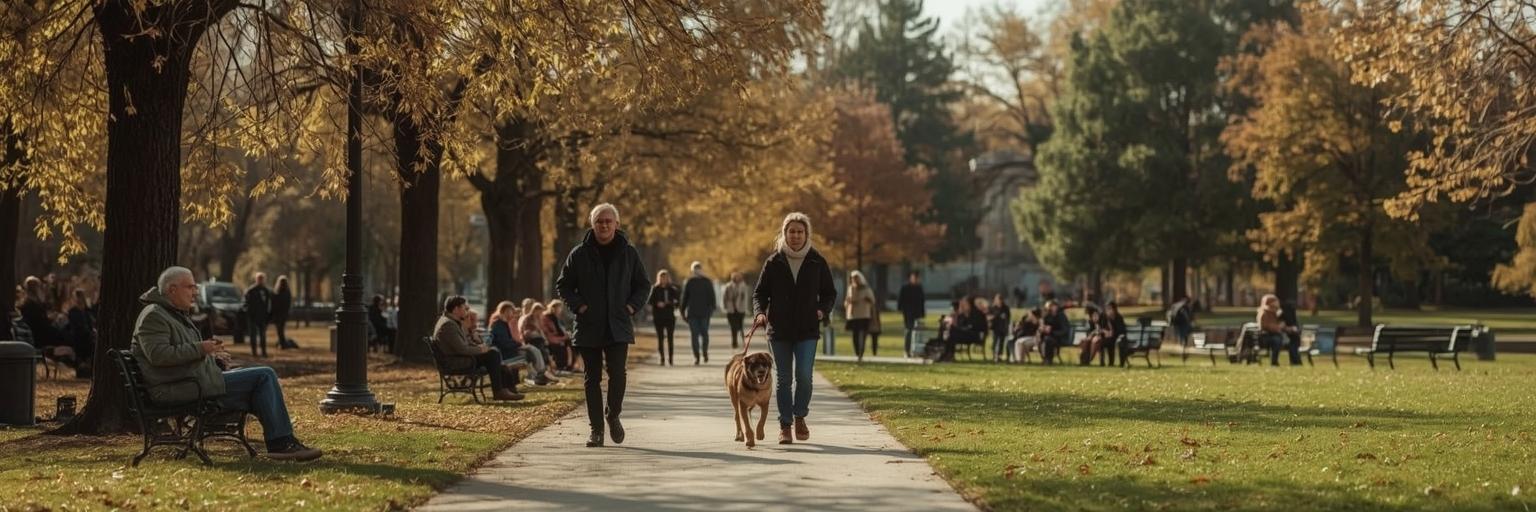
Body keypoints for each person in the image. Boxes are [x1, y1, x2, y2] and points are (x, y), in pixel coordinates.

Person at [133, 266, 323, 461]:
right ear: (172, 290)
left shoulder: (172, 314)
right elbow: (158, 355)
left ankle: (282, 444)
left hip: (190, 382)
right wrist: (202, 349)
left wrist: (212, 359)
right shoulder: (154, 315)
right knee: (264, 376)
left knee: (259, 380)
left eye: (195, 287)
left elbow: (179, 353)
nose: (195, 292)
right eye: (190, 287)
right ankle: (282, 444)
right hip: (176, 388)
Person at [555, 203, 651, 448]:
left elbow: (643, 285)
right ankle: (596, 430)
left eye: (608, 221)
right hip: (589, 324)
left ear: (617, 225)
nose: (604, 225)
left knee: (618, 374)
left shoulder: (629, 253)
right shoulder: (579, 254)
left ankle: (613, 414)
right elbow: (564, 285)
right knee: (591, 378)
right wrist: (580, 306)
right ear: (592, 224)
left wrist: (631, 307)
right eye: (599, 221)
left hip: (618, 325)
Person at [752, 212, 836, 445]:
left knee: (804, 377)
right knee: (784, 379)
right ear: (784, 234)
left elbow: (829, 292)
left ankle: (800, 416)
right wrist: (760, 313)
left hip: (808, 328)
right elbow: (760, 293)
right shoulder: (774, 262)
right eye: (792, 232)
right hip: (779, 330)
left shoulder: (816, 261)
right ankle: (785, 425)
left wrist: (822, 310)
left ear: (806, 234)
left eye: (800, 232)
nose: (796, 236)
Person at [436, 295, 525, 400]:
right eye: (465, 308)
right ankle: (500, 391)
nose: (467, 311)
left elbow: (463, 344)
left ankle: (508, 390)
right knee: (493, 354)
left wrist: (478, 345)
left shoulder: (451, 322)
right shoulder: (448, 325)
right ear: (456, 309)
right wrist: (480, 349)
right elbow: (462, 349)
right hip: (455, 362)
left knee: (494, 355)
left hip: (459, 357)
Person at [489, 301, 550, 385]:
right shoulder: (498, 324)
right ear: (504, 311)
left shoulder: (503, 323)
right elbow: (503, 343)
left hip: (510, 349)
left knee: (532, 349)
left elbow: (508, 340)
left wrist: (518, 344)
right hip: (505, 353)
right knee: (531, 351)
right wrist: (518, 345)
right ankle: (540, 375)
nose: (513, 314)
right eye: (511, 311)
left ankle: (540, 374)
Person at [680, 261, 717, 365]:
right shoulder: (689, 282)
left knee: (705, 335)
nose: (697, 270)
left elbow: (712, 297)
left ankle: (705, 352)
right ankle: (696, 357)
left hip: (705, 313)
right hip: (692, 314)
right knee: (694, 335)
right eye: (695, 269)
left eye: (699, 268)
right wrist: (682, 311)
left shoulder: (707, 282)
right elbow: (685, 298)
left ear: (701, 269)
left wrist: (711, 309)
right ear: (692, 270)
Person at [518, 303, 561, 384]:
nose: (540, 313)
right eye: (539, 311)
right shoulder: (528, 318)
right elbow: (522, 330)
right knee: (540, 345)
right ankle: (545, 371)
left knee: (543, 345)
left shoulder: (538, 319)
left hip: (537, 339)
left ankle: (547, 370)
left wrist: (545, 339)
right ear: (535, 310)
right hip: (529, 339)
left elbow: (540, 331)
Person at [940, 296, 985, 362]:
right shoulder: (965, 313)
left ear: (969, 304)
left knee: (952, 332)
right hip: (967, 334)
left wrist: (963, 328)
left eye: (965, 304)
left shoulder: (976, 313)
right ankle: (948, 354)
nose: (963, 306)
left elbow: (974, 327)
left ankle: (948, 355)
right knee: (951, 334)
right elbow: (961, 325)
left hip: (974, 335)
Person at [844, 271, 875, 363]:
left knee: (863, 335)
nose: (855, 280)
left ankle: (861, 353)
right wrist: (848, 302)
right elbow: (846, 301)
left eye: (856, 278)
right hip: (853, 315)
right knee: (855, 335)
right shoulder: (850, 288)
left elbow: (872, 300)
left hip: (864, 314)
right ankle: (857, 352)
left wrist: (867, 300)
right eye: (853, 278)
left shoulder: (866, 289)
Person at [650, 270, 680, 366]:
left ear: (668, 278)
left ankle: (671, 358)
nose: (664, 279)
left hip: (669, 317)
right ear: (659, 278)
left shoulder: (672, 289)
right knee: (660, 338)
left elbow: (677, 302)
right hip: (658, 317)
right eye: (662, 277)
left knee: (670, 338)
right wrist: (657, 303)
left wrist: (669, 303)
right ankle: (662, 358)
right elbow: (650, 301)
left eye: (665, 277)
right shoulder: (655, 289)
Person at [66, 289, 96, 377]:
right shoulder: (73, 312)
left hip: (88, 335)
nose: (79, 300)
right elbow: (76, 326)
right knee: (84, 339)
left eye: (80, 297)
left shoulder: (88, 311)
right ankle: (82, 366)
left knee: (92, 341)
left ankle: (88, 366)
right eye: (77, 297)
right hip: (78, 336)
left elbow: (91, 324)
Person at [542, 300, 579, 373]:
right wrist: (563, 337)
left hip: (559, 338)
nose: (560, 310)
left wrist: (566, 334)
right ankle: (565, 366)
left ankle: (570, 365)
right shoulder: (547, 318)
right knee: (566, 344)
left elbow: (561, 330)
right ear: (553, 308)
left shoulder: (557, 318)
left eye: (560, 308)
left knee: (573, 343)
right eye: (558, 308)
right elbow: (549, 333)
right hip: (552, 339)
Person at [897, 271, 926, 357]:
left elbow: (922, 301)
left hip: (917, 313)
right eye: (914, 277)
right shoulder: (905, 288)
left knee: (916, 332)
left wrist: (922, 313)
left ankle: (915, 350)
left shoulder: (919, 288)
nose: (915, 279)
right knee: (909, 331)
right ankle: (907, 350)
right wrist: (901, 309)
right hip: (908, 312)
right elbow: (901, 299)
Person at [244, 273, 273, 358]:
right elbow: (246, 303)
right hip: (253, 316)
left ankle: (264, 352)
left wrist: (268, 315)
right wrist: (249, 314)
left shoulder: (266, 291)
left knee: (263, 335)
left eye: (262, 279)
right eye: (259, 279)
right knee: (253, 335)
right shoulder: (251, 290)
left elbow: (268, 304)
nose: (260, 280)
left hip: (263, 317)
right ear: (256, 279)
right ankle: (254, 352)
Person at [1257, 294, 1289, 367]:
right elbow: (1265, 326)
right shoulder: (1263, 313)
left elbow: (1280, 325)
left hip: (1274, 334)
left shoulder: (1275, 313)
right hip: (1264, 337)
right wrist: (1278, 327)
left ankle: (1275, 361)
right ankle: (1274, 361)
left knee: (1279, 338)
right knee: (1276, 340)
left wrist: (1287, 328)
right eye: (1274, 302)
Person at [722, 272, 751, 349]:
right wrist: (725, 307)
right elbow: (724, 297)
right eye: (735, 277)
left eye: (738, 277)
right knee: (733, 327)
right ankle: (734, 342)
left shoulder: (743, 286)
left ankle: (744, 341)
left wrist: (745, 308)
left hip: (740, 309)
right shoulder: (728, 286)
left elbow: (745, 298)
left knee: (740, 326)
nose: (736, 278)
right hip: (731, 310)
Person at [1039, 301, 1070, 365]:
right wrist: (1042, 329)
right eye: (1049, 307)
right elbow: (1044, 326)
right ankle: (1045, 358)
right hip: (1049, 336)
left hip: (1060, 338)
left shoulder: (1061, 316)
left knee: (1048, 340)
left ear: (1056, 307)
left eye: (1052, 306)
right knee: (1041, 340)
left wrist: (1052, 332)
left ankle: (1048, 359)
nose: (1051, 308)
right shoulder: (1047, 316)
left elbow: (1065, 330)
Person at [271, 276, 295, 350]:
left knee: (280, 330)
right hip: (282, 314)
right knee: (280, 330)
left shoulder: (279, 292)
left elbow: (275, 303)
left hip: (279, 314)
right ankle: (282, 343)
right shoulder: (287, 292)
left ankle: (283, 343)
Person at [989, 294, 1011, 363]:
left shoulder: (1005, 308)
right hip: (995, 327)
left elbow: (1008, 318)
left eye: (1000, 300)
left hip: (1002, 328)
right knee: (995, 342)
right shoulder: (993, 308)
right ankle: (994, 355)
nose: (999, 301)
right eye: (997, 300)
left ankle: (999, 356)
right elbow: (989, 316)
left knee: (1001, 342)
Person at [1105, 302, 1129, 366]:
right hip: (1113, 336)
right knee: (1109, 341)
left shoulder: (1119, 317)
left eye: (1110, 309)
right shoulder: (1108, 318)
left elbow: (1120, 330)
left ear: (1114, 309)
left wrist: (1112, 333)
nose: (1109, 310)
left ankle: (1122, 363)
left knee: (1120, 342)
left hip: (1121, 336)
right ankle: (1111, 362)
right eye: (1108, 309)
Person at [1280, 301, 1303, 366]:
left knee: (1293, 344)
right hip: (1288, 337)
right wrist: (1290, 329)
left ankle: (1295, 361)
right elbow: (1282, 326)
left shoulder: (1284, 314)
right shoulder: (1286, 315)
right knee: (1293, 344)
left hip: (1291, 337)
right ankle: (1296, 361)